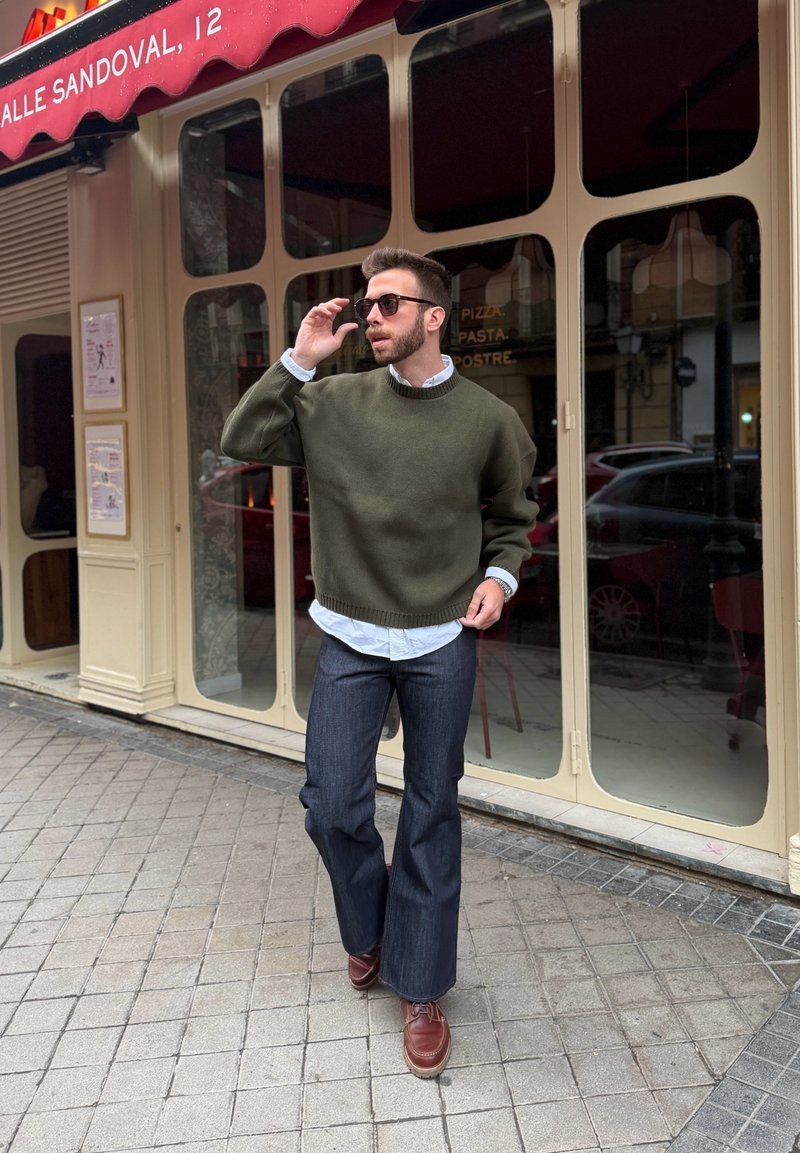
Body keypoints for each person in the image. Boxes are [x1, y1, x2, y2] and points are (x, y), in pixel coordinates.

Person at [221, 247, 537, 1077]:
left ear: (435, 316)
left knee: (431, 811)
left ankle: (421, 982)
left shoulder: (488, 419)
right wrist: (300, 356)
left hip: (441, 636)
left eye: (389, 304)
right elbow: (241, 435)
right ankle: (370, 929)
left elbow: (514, 517)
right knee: (330, 802)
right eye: (368, 305)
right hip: (352, 633)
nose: (371, 318)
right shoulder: (332, 402)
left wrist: (500, 579)